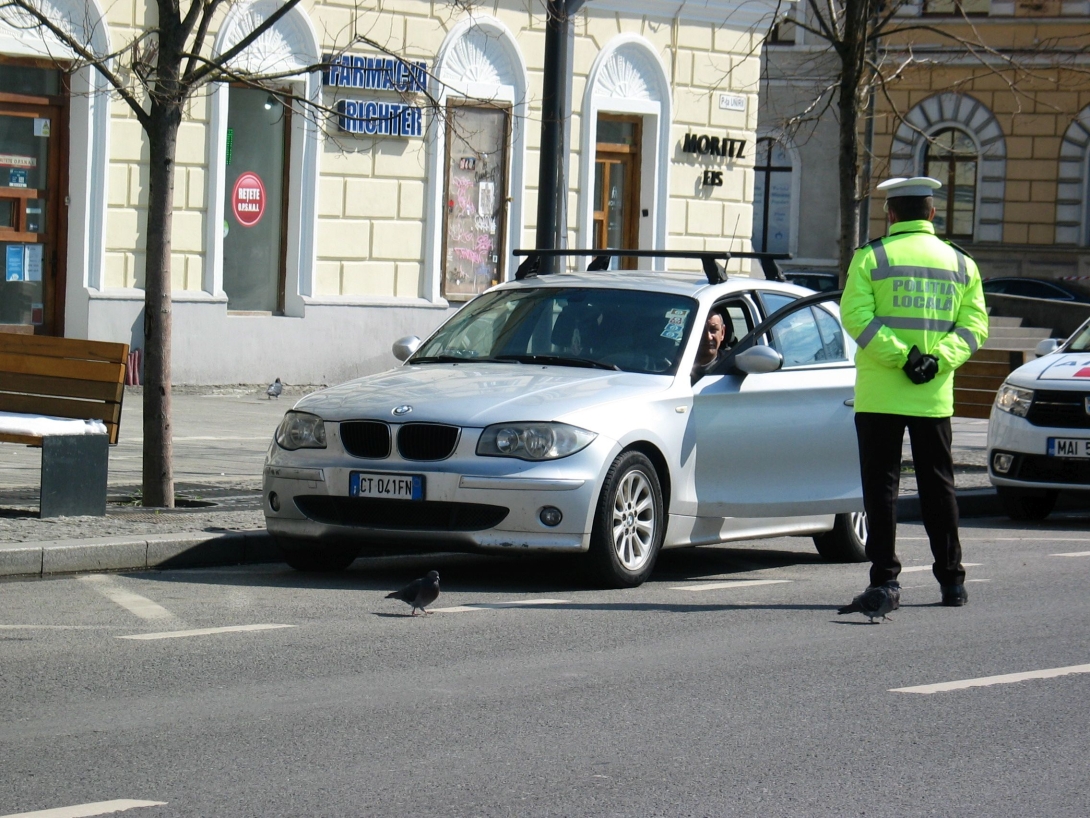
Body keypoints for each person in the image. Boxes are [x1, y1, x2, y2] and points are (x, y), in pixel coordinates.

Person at [839, 176, 989, 610]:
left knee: (881, 490)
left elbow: (856, 317)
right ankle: (952, 583)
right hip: (933, 395)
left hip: (881, 395)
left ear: (890, 214)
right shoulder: (961, 263)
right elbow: (975, 326)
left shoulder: (872, 257)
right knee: (939, 488)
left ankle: (885, 580)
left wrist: (902, 357)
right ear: (932, 214)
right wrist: (936, 360)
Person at [691, 311, 727, 381]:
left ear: (722, 332)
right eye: (701, 330)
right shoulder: (673, 367)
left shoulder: (731, 367)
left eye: (713, 330)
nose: (708, 337)